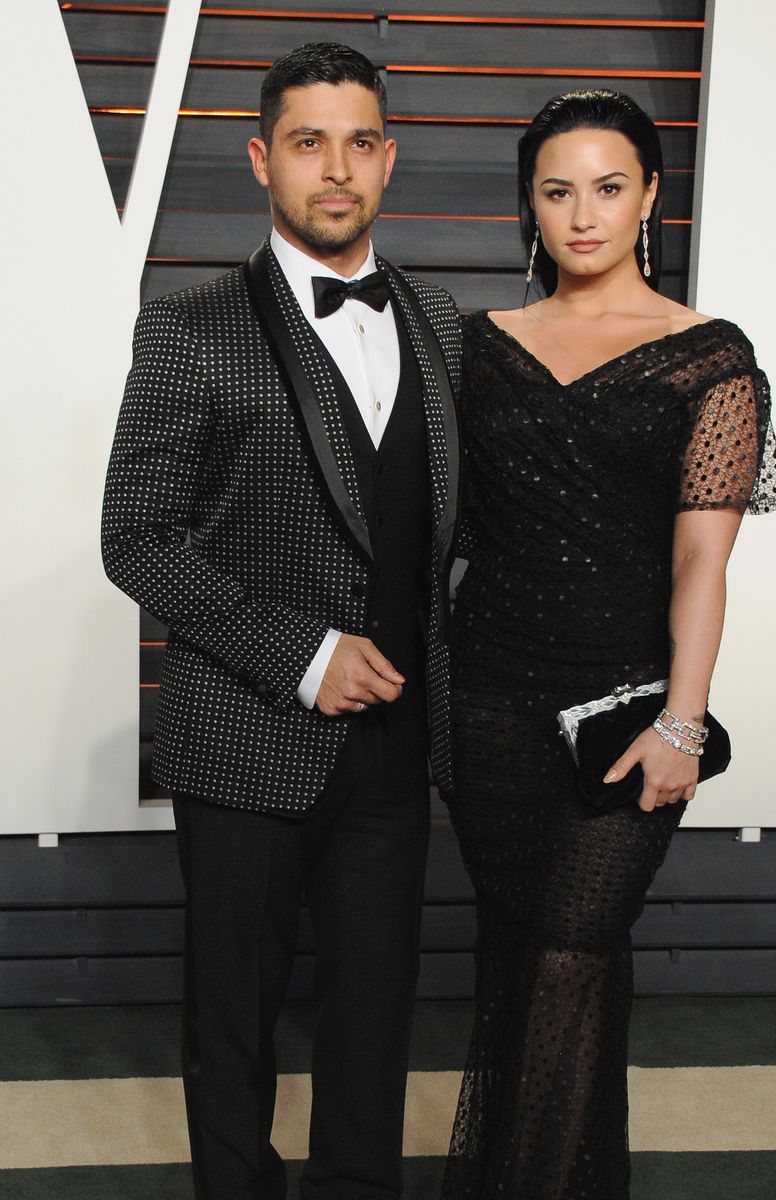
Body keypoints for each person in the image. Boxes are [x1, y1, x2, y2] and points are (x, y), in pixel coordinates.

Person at [101, 43, 461, 1200]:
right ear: (263, 158)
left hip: (398, 750)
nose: (337, 168)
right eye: (309, 142)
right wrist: (300, 655)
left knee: (372, 1024)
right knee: (234, 1027)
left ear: (389, 157)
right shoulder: (188, 326)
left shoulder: (443, 321)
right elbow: (135, 537)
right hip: (245, 734)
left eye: (360, 141)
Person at [440, 89, 776, 1199]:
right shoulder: (475, 351)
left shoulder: (708, 357)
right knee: (523, 961)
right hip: (487, 699)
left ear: (647, 196)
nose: (581, 214)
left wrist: (683, 721)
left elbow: (701, 563)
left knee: (567, 953)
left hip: (629, 711)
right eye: (555, 191)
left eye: (605, 187)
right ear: (529, 209)